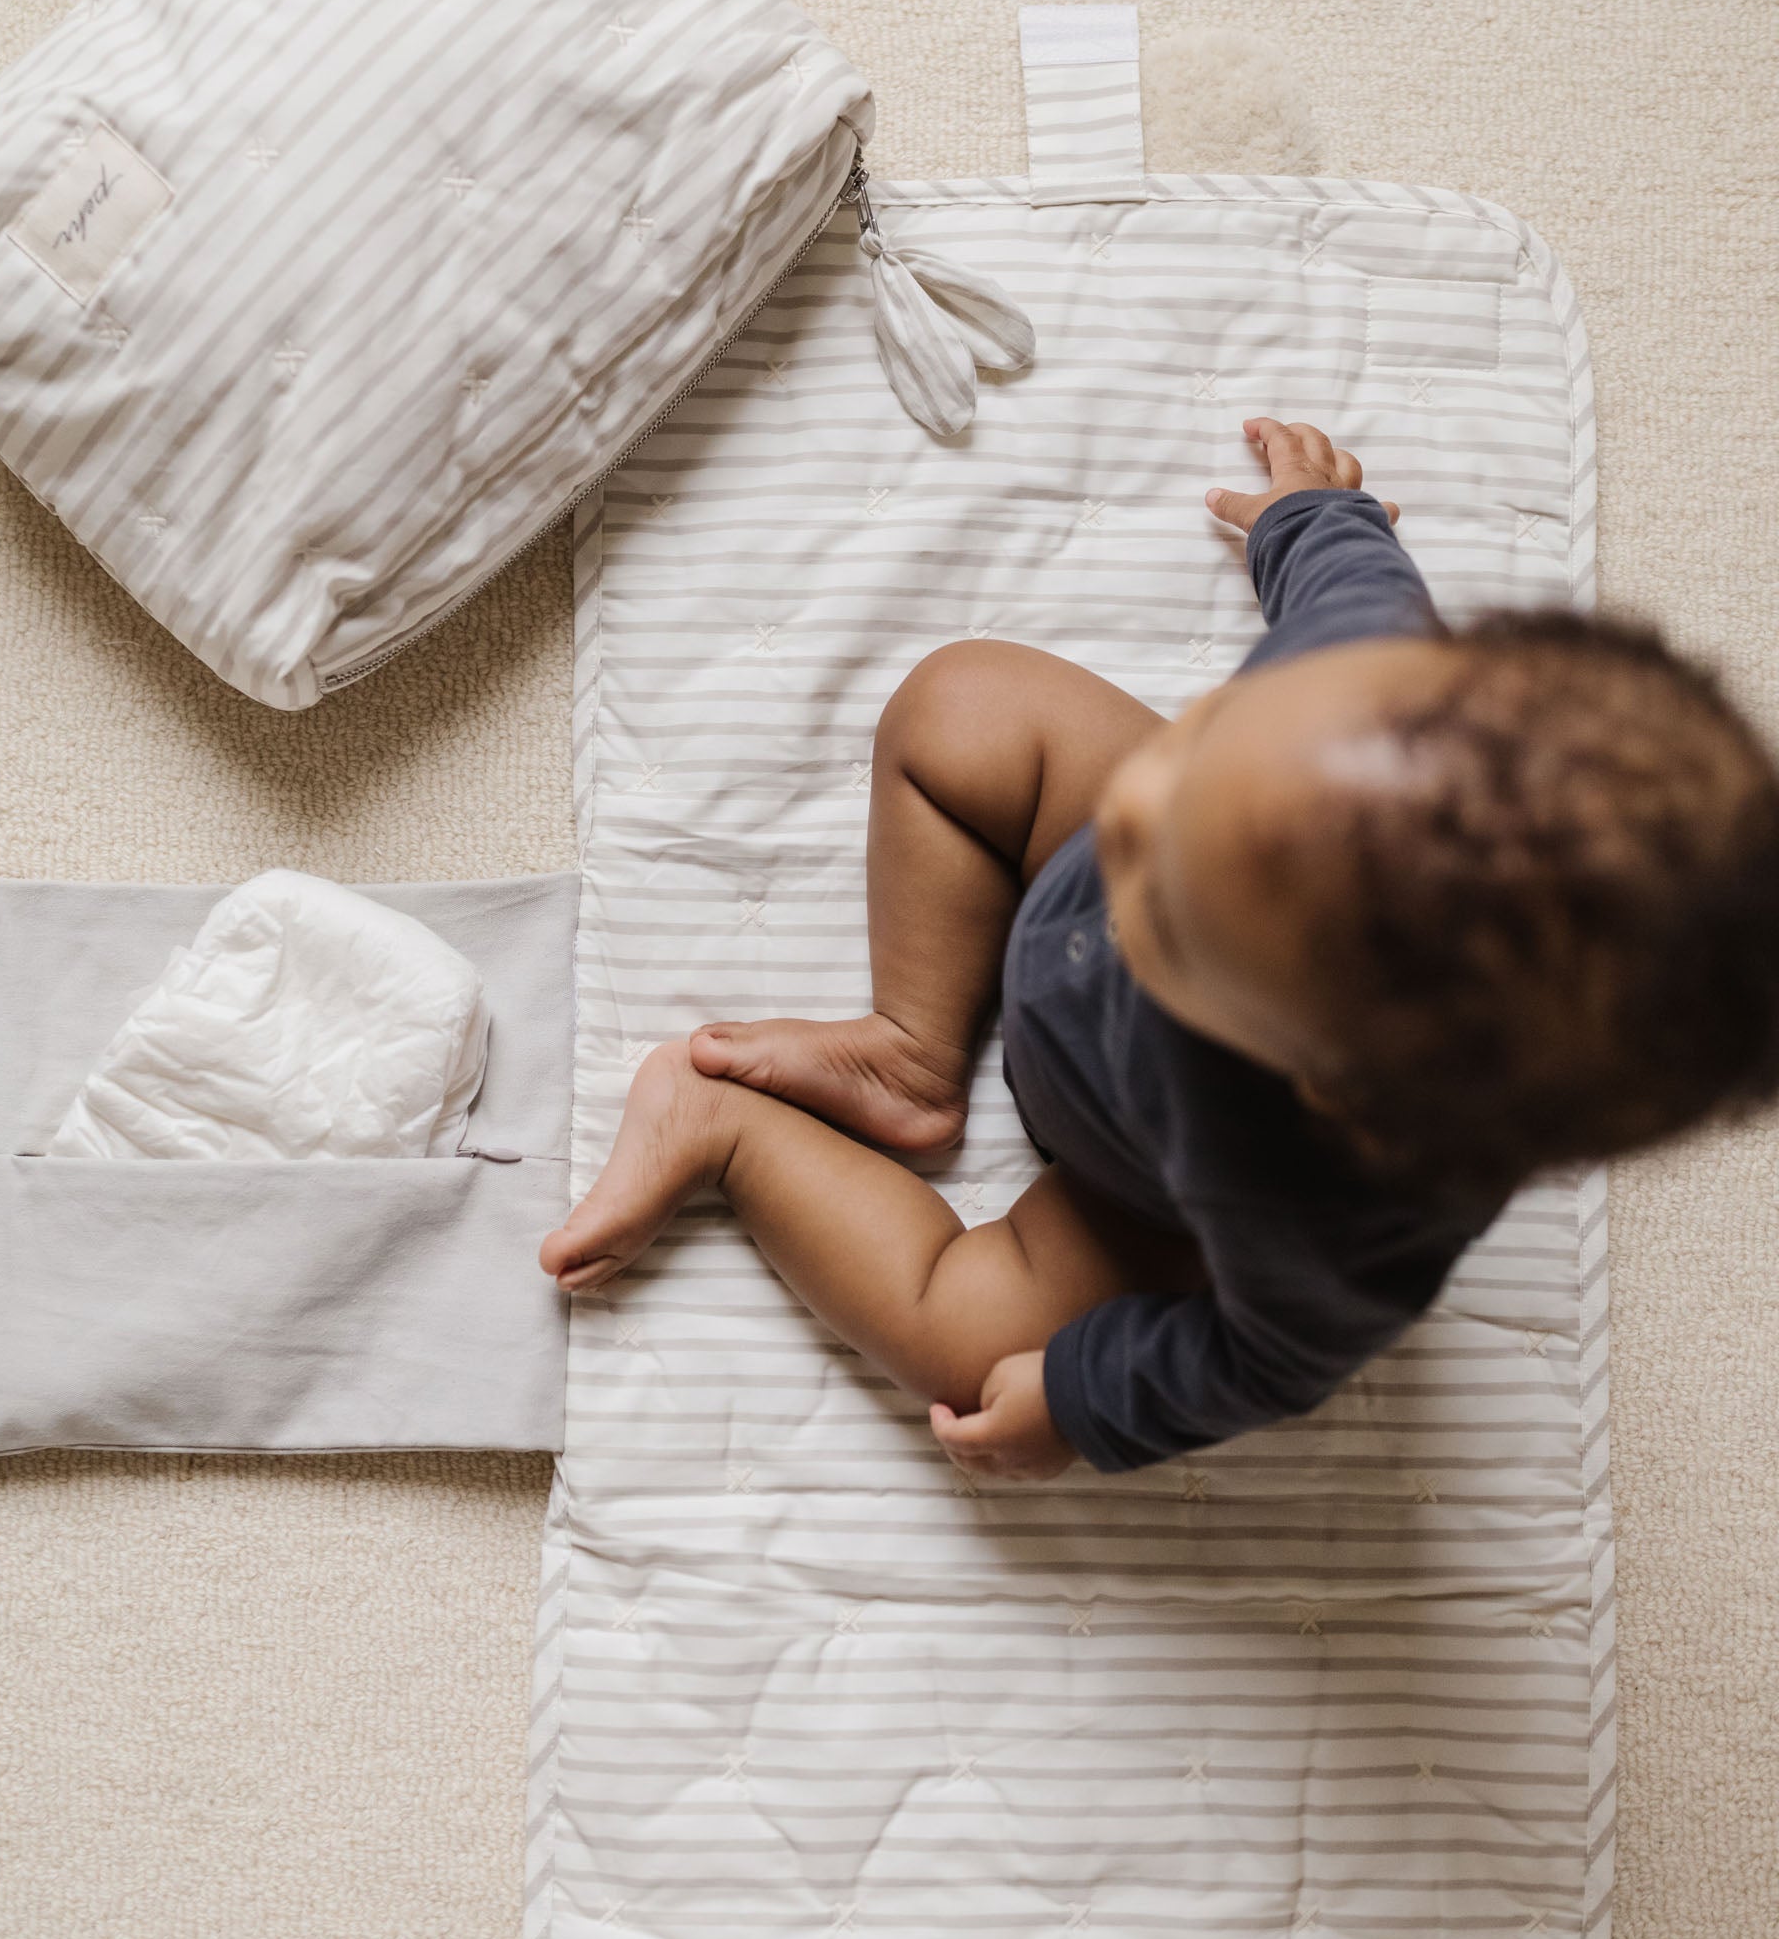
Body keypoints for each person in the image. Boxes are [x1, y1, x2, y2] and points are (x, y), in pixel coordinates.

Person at [541, 419, 1779, 1481]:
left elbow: (1259, 1362)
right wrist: (1315, 515)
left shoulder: (1335, 1215)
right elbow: (1350, 580)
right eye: (1203, 743)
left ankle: (724, 1131)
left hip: (1133, 1172)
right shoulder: (1364, 667)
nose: (1129, 812)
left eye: (1171, 906)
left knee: (970, 1348)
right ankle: (915, 1051)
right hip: (1192, 930)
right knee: (960, 704)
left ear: (1342, 1093)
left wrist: (1086, 1405)